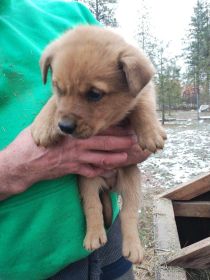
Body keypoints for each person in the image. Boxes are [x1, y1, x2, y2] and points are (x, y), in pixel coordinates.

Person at [0, 1, 149, 279]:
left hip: (111, 241)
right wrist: (14, 168)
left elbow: (133, 90)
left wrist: (139, 130)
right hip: (22, 267)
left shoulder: (70, 14)